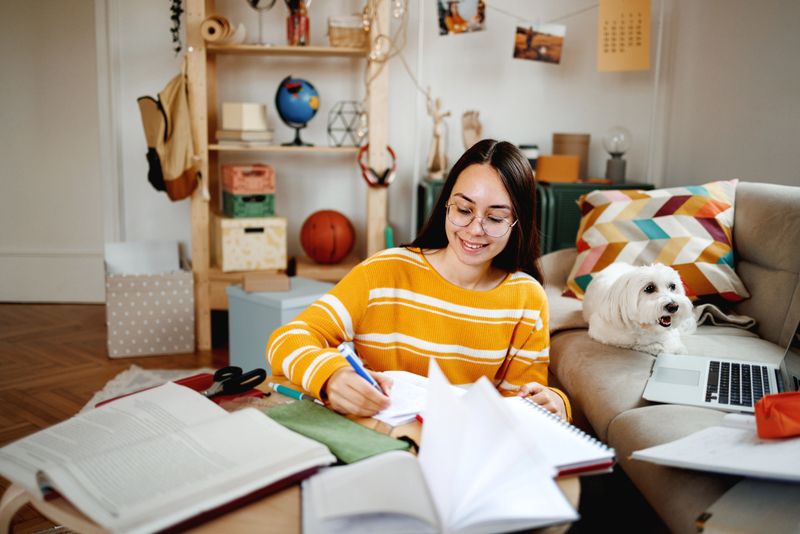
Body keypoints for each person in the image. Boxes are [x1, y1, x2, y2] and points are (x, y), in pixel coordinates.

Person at [267, 139, 570, 420]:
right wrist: (331, 375)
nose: (475, 229)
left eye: (494, 218)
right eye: (464, 209)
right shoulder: (385, 271)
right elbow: (285, 340)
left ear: (518, 223)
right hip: (378, 443)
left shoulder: (526, 299)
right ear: (445, 206)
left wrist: (555, 403)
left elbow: (522, 404)